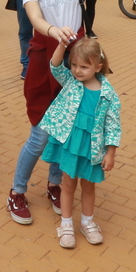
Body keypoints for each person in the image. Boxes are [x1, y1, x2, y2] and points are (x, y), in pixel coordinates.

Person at [6, 0, 107, 225]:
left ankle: (54, 185)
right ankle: (17, 191)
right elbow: (35, 17)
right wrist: (54, 32)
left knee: (65, 132)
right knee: (40, 132)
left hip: (76, 57)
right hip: (44, 57)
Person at [39, 37, 121, 248]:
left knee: (89, 187)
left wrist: (110, 152)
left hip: (93, 147)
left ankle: (87, 222)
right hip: (71, 143)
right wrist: (62, 45)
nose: (77, 70)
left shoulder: (108, 94)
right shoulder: (71, 82)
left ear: (98, 67)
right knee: (67, 185)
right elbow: (55, 66)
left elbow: (113, 125)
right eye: (74, 65)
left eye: (84, 67)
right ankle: (66, 224)